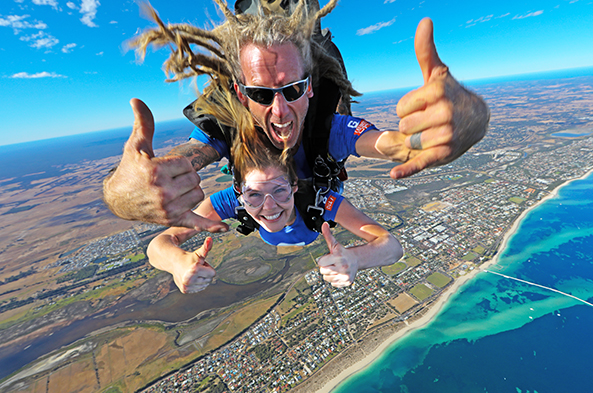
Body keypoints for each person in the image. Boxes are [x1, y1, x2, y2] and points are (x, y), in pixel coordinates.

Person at [103, 0, 490, 232]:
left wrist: (463, 124)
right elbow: (186, 157)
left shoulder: (327, 118)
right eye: (260, 94)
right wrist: (124, 195)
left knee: (304, 40)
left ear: (309, 87)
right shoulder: (230, 115)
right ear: (241, 94)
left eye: (292, 90)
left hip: (313, 68)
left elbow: (391, 145)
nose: (280, 111)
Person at [146, 141, 403, 293]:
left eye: (279, 191)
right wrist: (177, 263)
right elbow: (159, 244)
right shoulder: (228, 200)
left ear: (293, 186)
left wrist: (356, 258)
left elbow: (392, 247)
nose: (269, 207)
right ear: (239, 193)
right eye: (255, 194)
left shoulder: (320, 200)